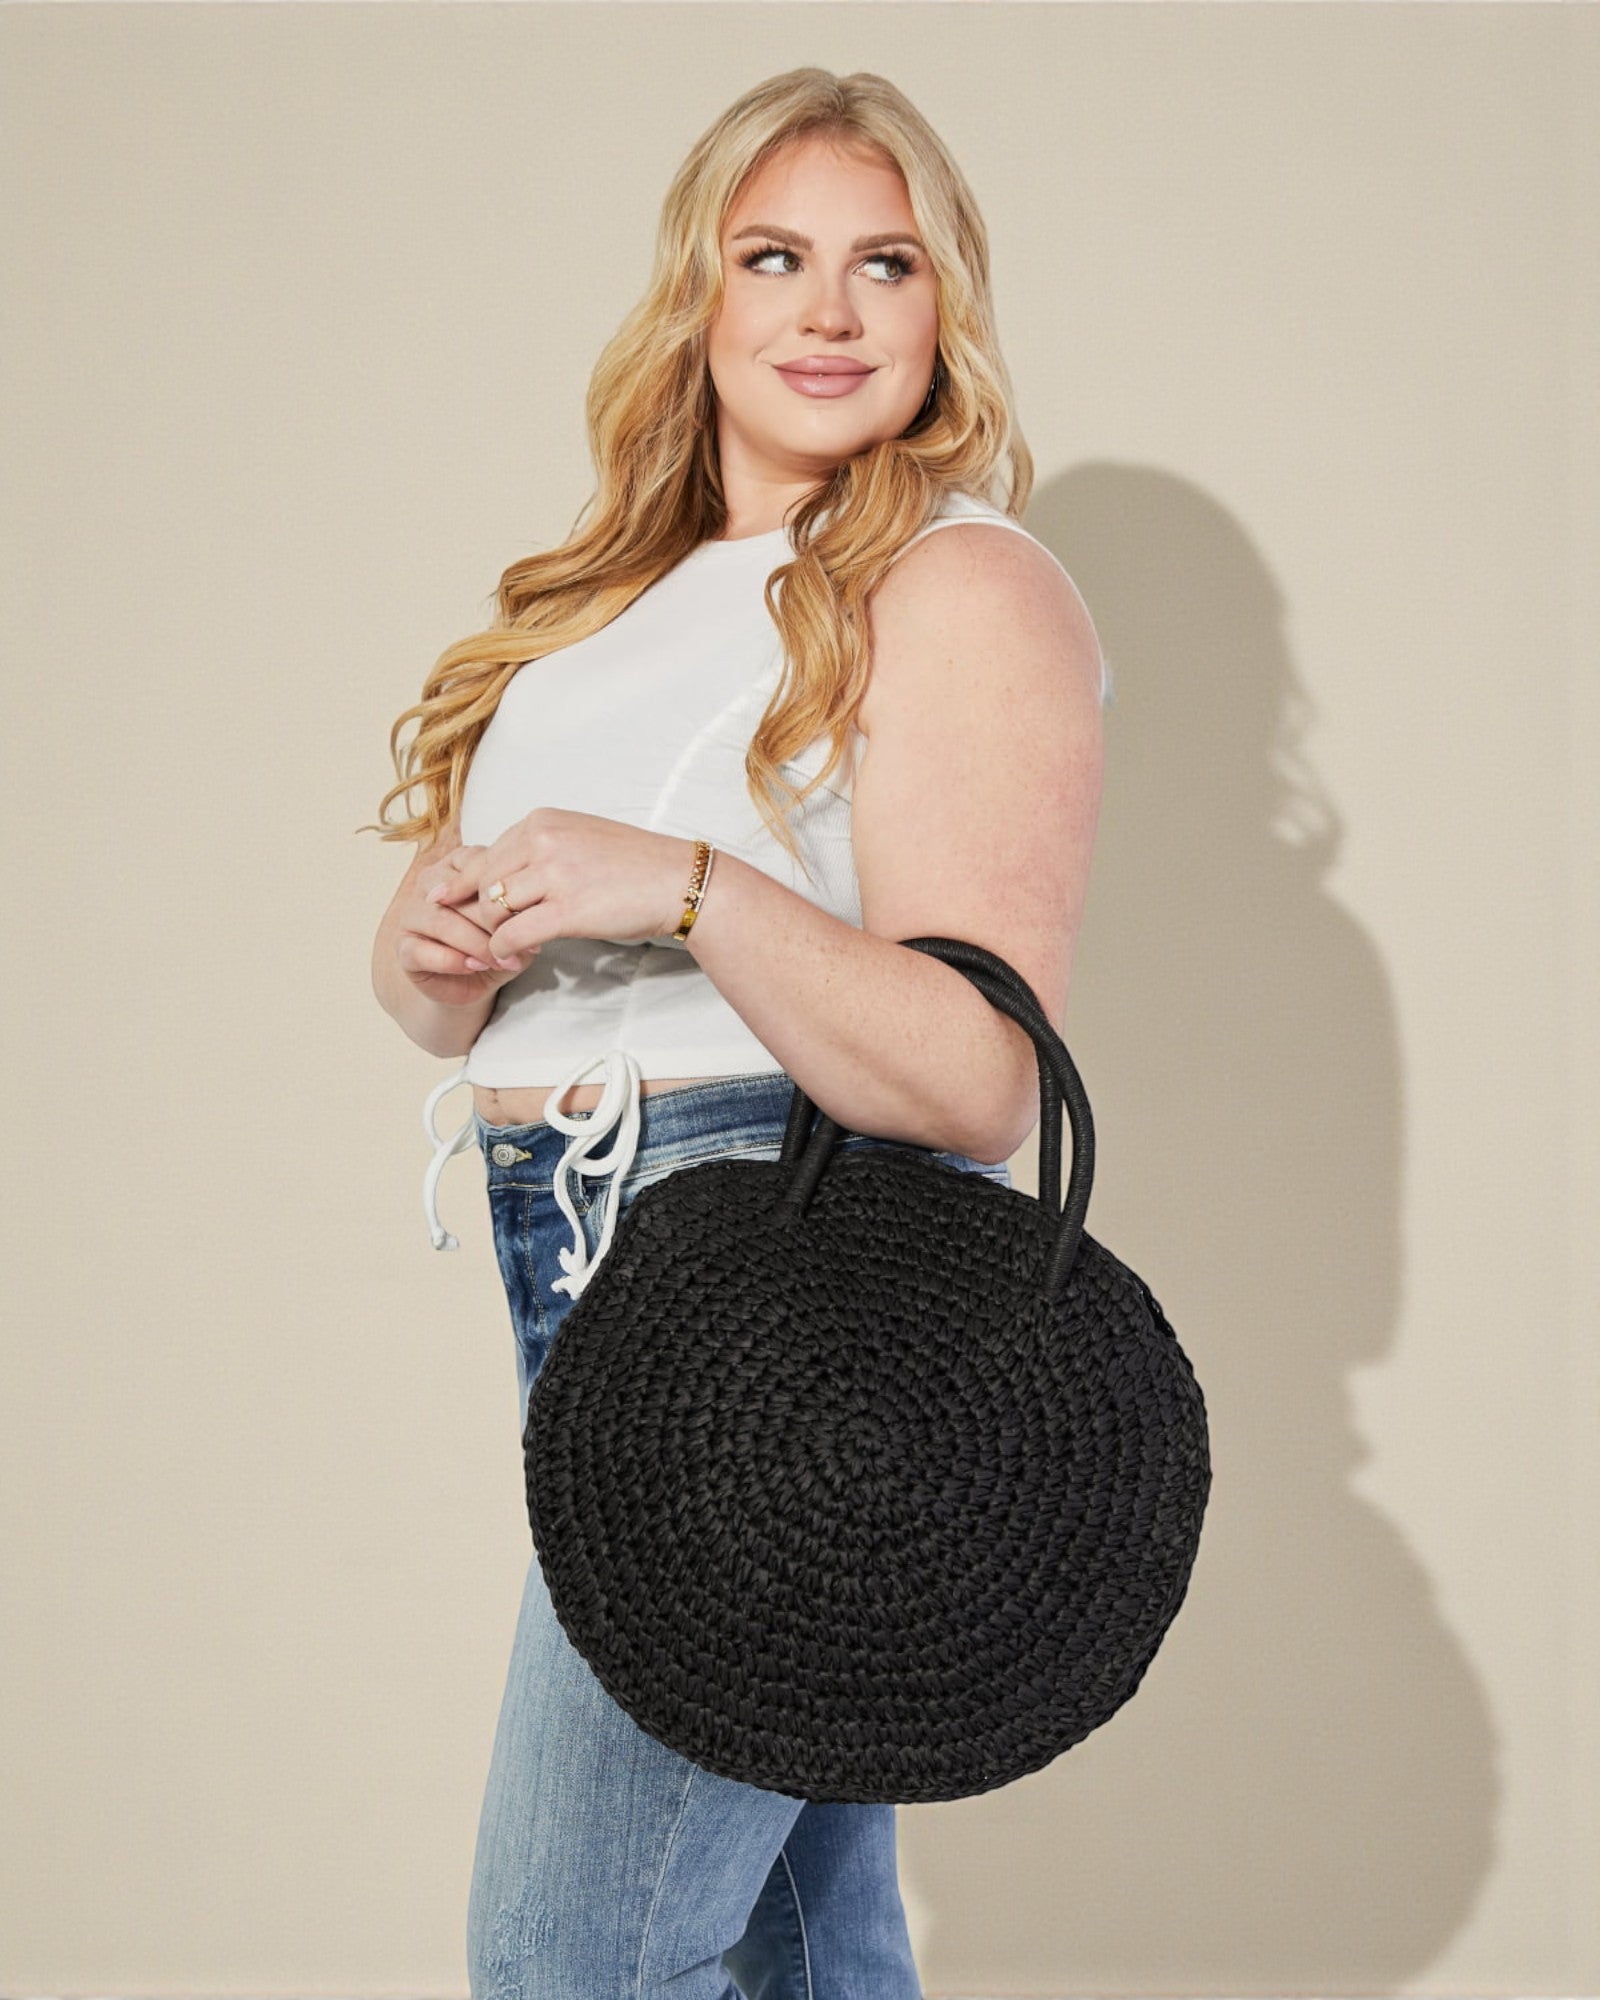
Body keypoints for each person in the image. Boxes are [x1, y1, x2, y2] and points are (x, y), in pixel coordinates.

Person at [364, 64, 1107, 2000]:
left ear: (946, 309)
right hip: (573, 1254)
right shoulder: (597, 605)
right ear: (695, 295)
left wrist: (686, 884)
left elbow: (974, 1067)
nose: (829, 310)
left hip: (767, 1277)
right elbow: (471, 988)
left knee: (575, 1957)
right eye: (771, 257)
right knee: (796, 1941)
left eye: (886, 264)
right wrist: (435, 955)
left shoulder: (951, 580)